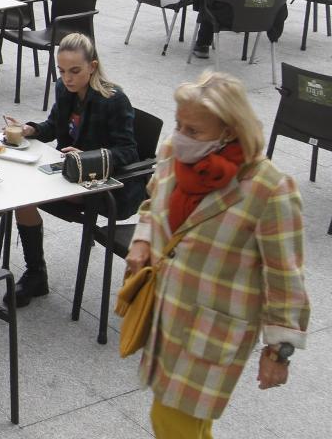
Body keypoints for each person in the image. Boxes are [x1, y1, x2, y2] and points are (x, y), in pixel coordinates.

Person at [126, 71, 309, 439]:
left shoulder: (269, 189)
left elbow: (285, 277)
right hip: (166, 314)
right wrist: (143, 240)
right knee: (189, 423)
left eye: (193, 131)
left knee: (171, 421)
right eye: (179, 125)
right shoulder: (173, 153)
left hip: (211, 333)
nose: (180, 137)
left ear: (230, 130)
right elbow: (151, 202)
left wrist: (279, 352)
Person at [0, 33, 140, 307]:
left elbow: (128, 151)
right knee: (11, 179)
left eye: (75, 71)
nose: (67, 78)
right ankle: (31, 272)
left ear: (92, 66)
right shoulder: (64, 89)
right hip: (66, 173)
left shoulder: (113, 100)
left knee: (18, 191)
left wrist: (89, 157)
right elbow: (54, 126)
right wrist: (31, 130)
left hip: (97, 185)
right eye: (62, 71)